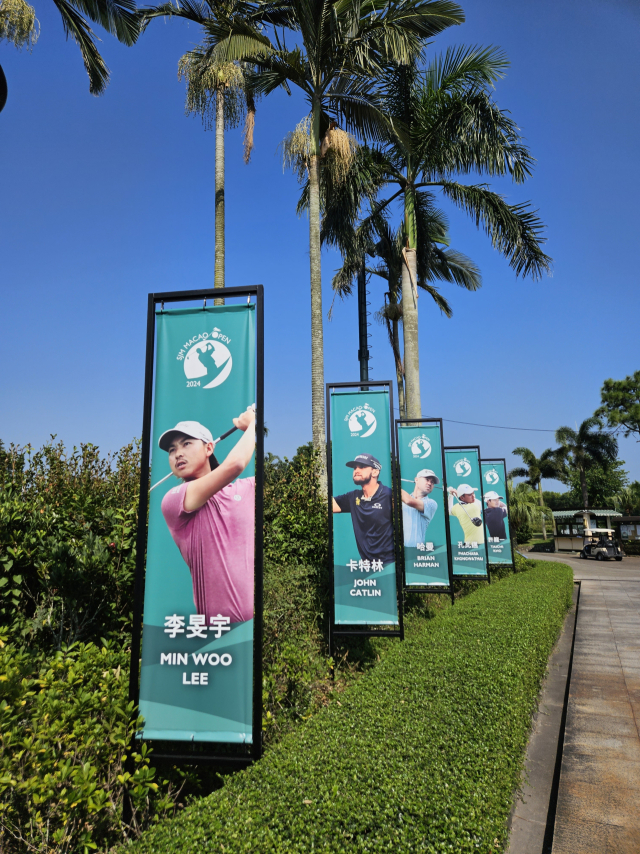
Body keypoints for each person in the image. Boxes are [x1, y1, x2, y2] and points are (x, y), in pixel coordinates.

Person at [159, 407, 256, 624]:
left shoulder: (245, 489)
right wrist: (252, 424)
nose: (178, 454)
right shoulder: (174, 499)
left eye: (186, 443)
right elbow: (236, 464)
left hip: (256, 632)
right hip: (216, 633)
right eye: (171, 450)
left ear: (209, 448)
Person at [332, 453, 395, 565]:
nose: (356, 470)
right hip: (367, 566)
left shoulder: (388, 495)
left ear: (375, 472)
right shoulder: (353, 497)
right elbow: (327, 505)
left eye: (362, 467)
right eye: (355, 467)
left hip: (390, 565)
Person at [400, 469, 439, 547]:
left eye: (432, 482)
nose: (430, 483)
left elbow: (409, 501)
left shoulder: (431, 504)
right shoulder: (402, 500)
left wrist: (394, 483)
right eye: (427, 479)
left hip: (416, 552)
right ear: (416, 480)